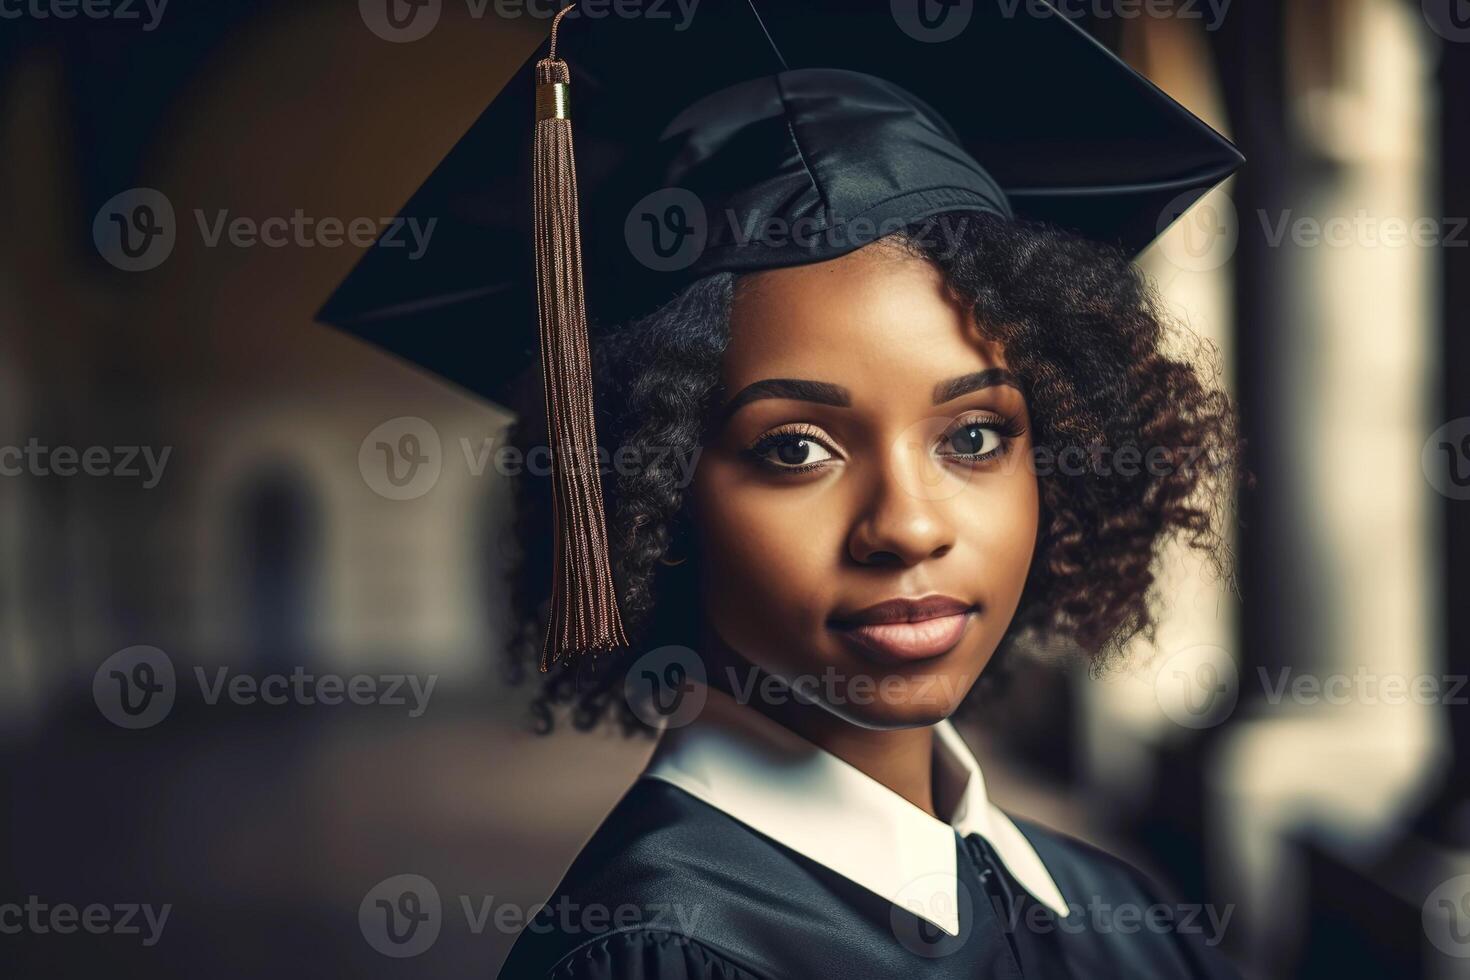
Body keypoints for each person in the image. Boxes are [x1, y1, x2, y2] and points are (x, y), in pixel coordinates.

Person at [320, 3, 1245, 976]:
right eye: (796, 449)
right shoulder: (658, 952)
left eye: (974, 435)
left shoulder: (1121, 911)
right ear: (653, 493)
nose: (908, 525)